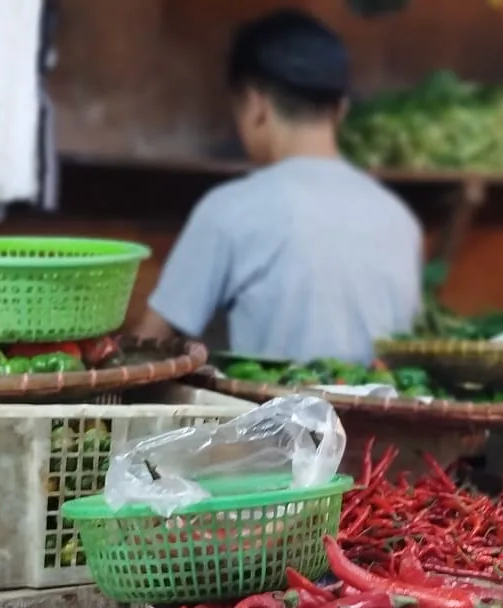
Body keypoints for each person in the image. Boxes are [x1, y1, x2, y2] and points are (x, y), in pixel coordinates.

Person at [132, 9, 422, 365]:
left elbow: (148, 347)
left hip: (276, 420)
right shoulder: (398, 219)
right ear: (340, 109)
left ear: (255, 105)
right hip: (383, 416)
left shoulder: (228, 210)